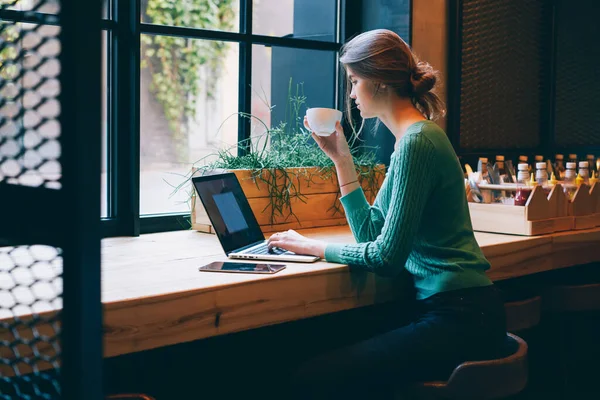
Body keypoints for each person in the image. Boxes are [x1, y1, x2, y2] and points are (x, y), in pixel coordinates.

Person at [266, 29, 507, 399]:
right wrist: (341, 160)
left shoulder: (417, 143)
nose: (350, 93)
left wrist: (314, 247)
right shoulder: (411, 140)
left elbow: (386, 257)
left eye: (354, 80)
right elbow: (371, 233)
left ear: (378, 82)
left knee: (311, 376)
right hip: (462, 311)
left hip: (459, 316)